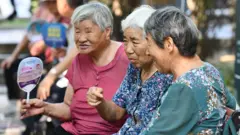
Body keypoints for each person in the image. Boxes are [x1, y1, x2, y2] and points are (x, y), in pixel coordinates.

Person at [20, 2, 129, 135]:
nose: (81, 38)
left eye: (88, 31)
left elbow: (123, 114)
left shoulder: (128, 56)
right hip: (75, 131)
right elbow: (68, 108)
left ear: (107, 32)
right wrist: (45, 108)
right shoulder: (78, 60)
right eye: (77, 31)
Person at [139, 6, 236, 135]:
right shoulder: (209, 70)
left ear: (168, 44)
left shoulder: (183, 87)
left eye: (149, 44)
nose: (147, 52)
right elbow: (231, 106)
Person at [86, 5, 173, 135]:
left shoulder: (168, 76)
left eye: (135, 42)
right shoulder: (135, 69)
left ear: (152, 41)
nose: (128, 49)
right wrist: (100, 102)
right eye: (126, 41)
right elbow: (115, 113)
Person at [0, 0, 60, 100]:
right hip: (36, 53)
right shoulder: (40, 10)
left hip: (49, 58)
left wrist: (43, 44)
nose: (49, 5)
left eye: (51, 2)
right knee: (9, 66)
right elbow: (29, 33)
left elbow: (55, 38)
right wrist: (13, 56)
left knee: (30, 77)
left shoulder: (61, 14)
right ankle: (16, 101)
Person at [36, 0, 86, 100]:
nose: (50, 6)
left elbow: (77, 51)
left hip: (78, 81)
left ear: (64, 4)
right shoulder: (74, 19)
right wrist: (65, 51)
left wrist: (51, 76)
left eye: (54, 2)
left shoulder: (83, 20)